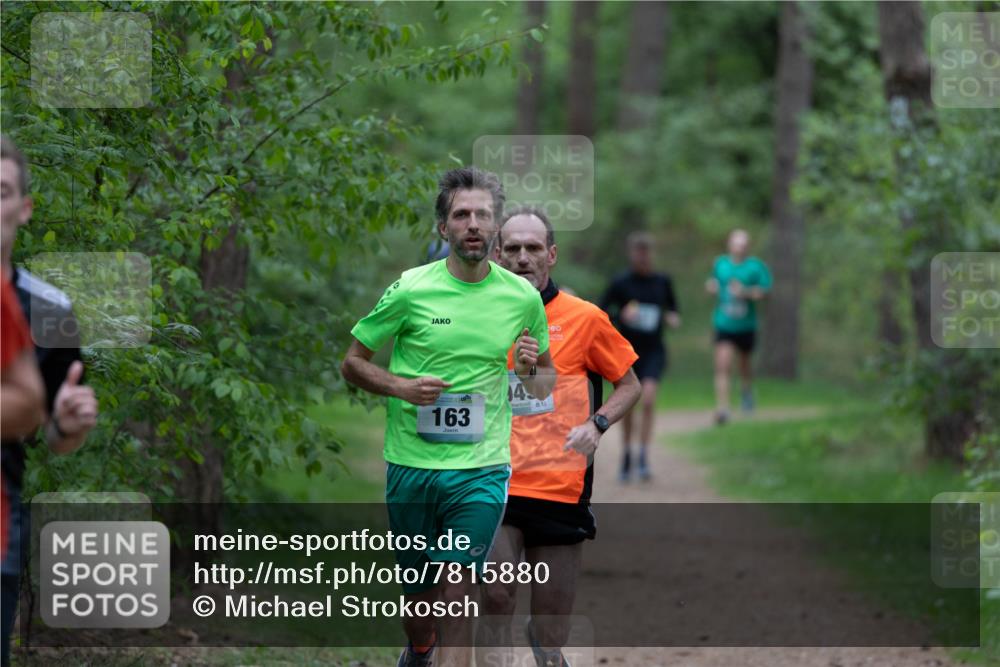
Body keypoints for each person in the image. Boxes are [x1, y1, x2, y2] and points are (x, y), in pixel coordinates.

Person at [340, 167, 555, 667]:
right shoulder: (411, 289)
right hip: (411, 464)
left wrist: (525, 370)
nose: (473, 224)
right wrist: (402, 387)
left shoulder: (522, 297)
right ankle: (419, 650)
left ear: (496, 227)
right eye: (462, 215)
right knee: (418, 596)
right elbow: (352, 363)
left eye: (483, 215)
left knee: (456, 584)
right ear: (444, 228)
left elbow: (544, 383)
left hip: (481, 468)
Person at [479, 207, 641, 667]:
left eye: (533, 248)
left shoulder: (586, 318)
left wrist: (597, 424)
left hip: (561, 487)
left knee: (552, 628)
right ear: (497, 254)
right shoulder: (477, 316)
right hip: (494, 480)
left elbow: (629, 386)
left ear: (552, 254)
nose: (522, 258)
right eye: (512, 248)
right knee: (496, 592)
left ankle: (543, 643)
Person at [1, 135, 98, 667]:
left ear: (24, 208)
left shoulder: (49, 309)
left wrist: (68, 423)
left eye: (1, 190)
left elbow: (58, 440)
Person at [599, 232, 680, 482]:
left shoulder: (662, 281)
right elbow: (601, 311)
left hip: (654, 350)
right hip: (627, 352)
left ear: (651, 255)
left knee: (648, 400)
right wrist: (621, 314)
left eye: (646, 253)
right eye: (638, 252)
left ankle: (644, 454)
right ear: (632, 254)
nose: (642, 257)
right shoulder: (621, 282)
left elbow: (674, 310)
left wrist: (672, 317)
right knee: (630, 405)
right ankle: (627, 453)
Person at [705, 228, 772, 425]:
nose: (740, 248)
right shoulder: (721, 264)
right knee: (722, 365)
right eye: (736, 244)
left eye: (743, 245)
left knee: (744, 364)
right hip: (723, 323)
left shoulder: (756, 267)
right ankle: (723, 407)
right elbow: (712, 282)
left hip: (746, 325)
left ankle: (746, 392)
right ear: (730, 245)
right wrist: (711, 287)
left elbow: (765, 292)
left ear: (748, 247)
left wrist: (745, 292)